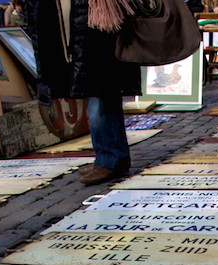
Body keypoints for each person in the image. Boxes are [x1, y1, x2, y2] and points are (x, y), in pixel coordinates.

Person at [35, 0, 140, 185]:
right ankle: (112, 156)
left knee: (100, 92)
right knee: (100, 91)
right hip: (88, 23)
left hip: (98, 22)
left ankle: (110, 159)